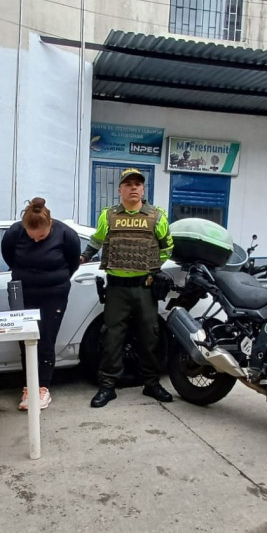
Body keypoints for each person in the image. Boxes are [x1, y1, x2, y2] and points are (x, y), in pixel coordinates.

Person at [80, 168, 174, 408]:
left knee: (150, 336)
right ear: (120, 189)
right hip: (117, 289)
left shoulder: (157, 216)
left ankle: (151, 384)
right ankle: (108, 386)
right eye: (128, 184)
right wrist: (82, 257)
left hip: (145, 287)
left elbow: (167, 248)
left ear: (143, 189)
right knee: (112, 337)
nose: (133, 187)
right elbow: (96, 241)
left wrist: (153, 266)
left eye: (138, 184)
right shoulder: (108, 216)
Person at [1, 198, 81, 410]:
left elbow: (73, 263)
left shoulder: (65, 234)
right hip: (23, 294)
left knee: (46, 339)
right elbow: (9, 256)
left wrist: (56, 278)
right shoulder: (14, 233)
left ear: (50, 225)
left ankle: (43, 387)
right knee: (26, 340)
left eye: (42, 237)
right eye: (32, 236)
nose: (36, 241)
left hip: (54, 294)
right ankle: (29, 386)